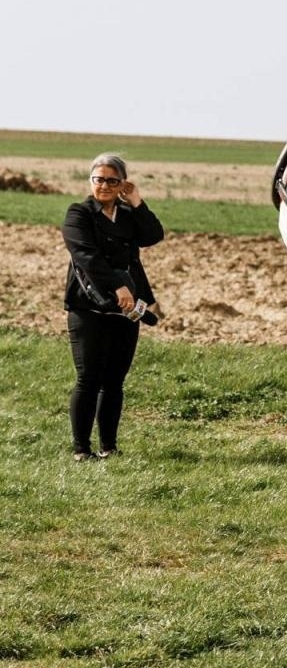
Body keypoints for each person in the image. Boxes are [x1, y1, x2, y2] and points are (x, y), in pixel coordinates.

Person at [61, 153, 163, 461]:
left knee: (114, 381)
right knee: (88, 378)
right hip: (88, 307)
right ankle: (81, 449)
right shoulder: (78, 213)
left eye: (112, 180)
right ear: (90, 181)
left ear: (122, 184)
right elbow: (86, 256)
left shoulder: (127, 214)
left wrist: (137, 202)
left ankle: (109, 447)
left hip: (127, 308)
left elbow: (153, 236)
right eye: (99, 179)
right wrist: (117, 286)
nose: (104, 185)